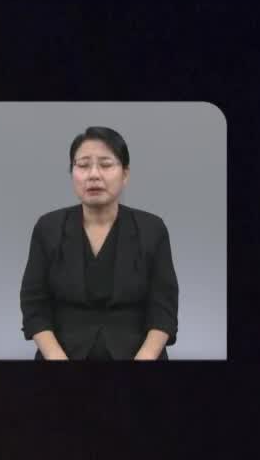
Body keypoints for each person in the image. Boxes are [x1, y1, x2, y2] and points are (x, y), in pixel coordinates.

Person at [18, 126, 179, 361]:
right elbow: (34, 304)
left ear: (125, 174)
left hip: (139, 353)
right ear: (72, 172)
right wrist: (55, 357)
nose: (94, 174)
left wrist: (146, 357)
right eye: (83, 165)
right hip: (62, 353)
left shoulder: (152, 229)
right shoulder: (48, 228)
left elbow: (164, 308)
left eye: (106, 164)